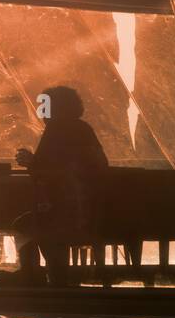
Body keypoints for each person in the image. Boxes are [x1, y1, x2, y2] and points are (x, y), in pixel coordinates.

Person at [10, 85, 108, 286]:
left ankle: (37, 276)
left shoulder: (56, 130)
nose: (40, 111)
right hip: (90, 209)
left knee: (23, 226)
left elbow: (51, 170)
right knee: (35, 224)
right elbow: (90, 164)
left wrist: (31, 162)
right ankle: (52, 275)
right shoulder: (83, 129)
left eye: (44, 106)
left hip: (66, 210)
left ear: (57, 108)